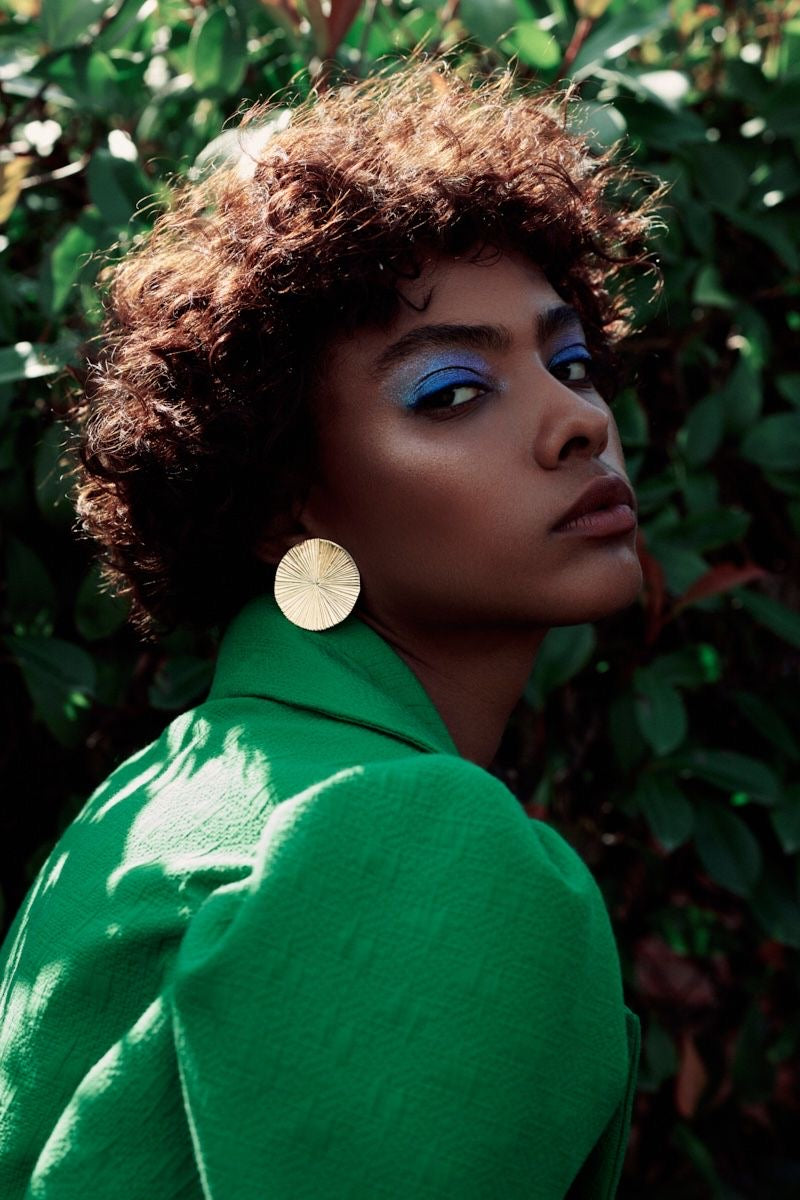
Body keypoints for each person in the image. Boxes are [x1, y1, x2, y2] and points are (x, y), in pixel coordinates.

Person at [0, 58, 661, 1198]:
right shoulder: (409, 834)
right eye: (451, 391)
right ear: (283, 503)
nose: (575, 421)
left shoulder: (167, 790)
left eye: (568, 361)